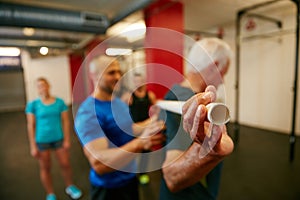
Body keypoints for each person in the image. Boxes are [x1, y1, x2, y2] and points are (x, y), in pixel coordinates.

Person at [74, 55, 166, 200]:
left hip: (129, 178)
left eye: (119, 72)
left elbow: (130, 128)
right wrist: (141, 143)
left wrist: (156, 120)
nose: (117, 77)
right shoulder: (88, 112)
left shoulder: (118, 102)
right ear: (94, 75)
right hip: (108, 188)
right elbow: (99, 164)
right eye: (111, 72)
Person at [159, 37, 234, 200]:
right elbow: (172, 177)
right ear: (213, 66)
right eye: (223, 74)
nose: (223, 82)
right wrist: (211, 152)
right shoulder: (185, 102)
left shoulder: (174, 92)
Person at [25, 77, 82, 200]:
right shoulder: (33, 105)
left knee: (65, 164)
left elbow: (66, 122)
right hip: (42, 141)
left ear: (48, 86)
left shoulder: (59, 102)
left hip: (58, 139)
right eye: (39, 86)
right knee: (46, 167)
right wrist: (33, 146)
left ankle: (70, 186)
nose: (42, 88)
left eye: (44, 85)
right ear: (37, 89)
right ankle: (50, 193)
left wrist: (67, 139)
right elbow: (31, 126)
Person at [126, 73, 157, 185]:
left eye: (140, 81)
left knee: (146, 152)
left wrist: (155, 118)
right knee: (132, 151)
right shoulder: (129, 96)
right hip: (134, 128)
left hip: (146, 128)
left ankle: (143, 174)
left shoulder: (150, 95)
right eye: (136, 81)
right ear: (134, 82)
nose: (138, 83)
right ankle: (131, 173)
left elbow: (156, 108)